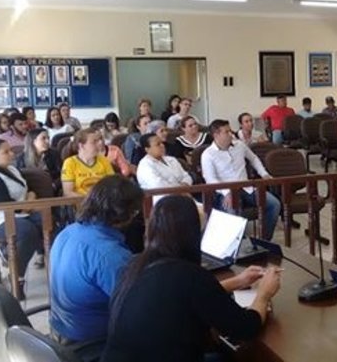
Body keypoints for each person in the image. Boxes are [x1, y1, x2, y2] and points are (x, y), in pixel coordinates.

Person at [102, 195, 281, 362]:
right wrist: (263, 294)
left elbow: (181, 296)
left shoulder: (134, 265)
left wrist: (237, 282)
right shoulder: (190, 275)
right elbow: (245, 328)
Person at [50, 175, 143, 344]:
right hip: (94, 338)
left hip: (61, 329)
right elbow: (135, 309)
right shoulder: (109, 255)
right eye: (136, 212)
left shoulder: (67, 232)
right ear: (124, 214)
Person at [0, 139, 43, 298]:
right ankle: (16, 276)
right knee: (27, 232)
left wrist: (29, 200)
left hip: (22, 213)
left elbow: (30, 190)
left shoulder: (12, 169)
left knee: (46, 221)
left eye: (10, 150)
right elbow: (9, 206)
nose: (12, 154)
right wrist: (27, 203)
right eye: (6, 152)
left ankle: (46, 263)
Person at [201, 119, 281, 240]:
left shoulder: (239, 145)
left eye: (230, 131)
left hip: (246, 187)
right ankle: (240, 246)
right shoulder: (208, 154)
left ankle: (264, 241)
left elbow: (253, 158)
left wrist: (264, 174)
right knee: (232, 212)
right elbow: (210, 178)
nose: (231, 134)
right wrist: (226, 192)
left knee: (274, 204)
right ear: (216, 135)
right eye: (226, 132)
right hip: (225, 191)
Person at [136, 134, 193, 204]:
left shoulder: (172, 159)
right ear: (147, 149)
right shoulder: (145, 166)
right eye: (158, 144)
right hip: (163, 203)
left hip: (184, 196)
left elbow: (186, 176)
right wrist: (180, 190)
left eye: (162, 143)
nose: (162, 146)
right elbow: (159, 186)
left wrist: (185, 185)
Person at [61, 128, 115, 197]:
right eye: (94, 141)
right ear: (81, 146)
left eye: (99, 140)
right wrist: (90, 201)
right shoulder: (69, 163)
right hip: (79, 203)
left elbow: (112, 186)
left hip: (102, 202)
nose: (100, 143)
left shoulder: (104, 160)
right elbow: (68, 192)